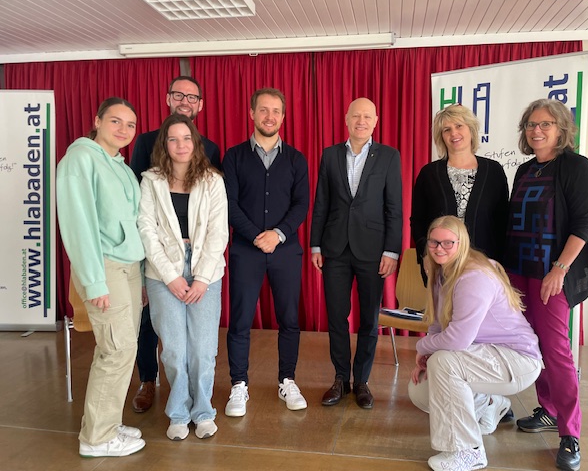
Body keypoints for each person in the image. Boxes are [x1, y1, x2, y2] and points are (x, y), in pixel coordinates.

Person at [505, 98, 588, 471]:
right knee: (532, 345)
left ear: (561, 129)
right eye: (530, 125)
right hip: (519, 271)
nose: (536, 130)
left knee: (556, 349)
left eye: (544, 124)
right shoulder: (525, 170)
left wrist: (559, 268)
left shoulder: (577, 167)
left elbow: (584, 224)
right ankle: (546, 408)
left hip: (551, 275)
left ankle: (570, 433)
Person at [408, 215, 542, 471]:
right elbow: (438, 324)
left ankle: (467, 451)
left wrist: (423, 348)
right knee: (420, 391)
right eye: (434, 242)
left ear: (462, 243)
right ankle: (490, 404)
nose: (439, 248)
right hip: (482, 355)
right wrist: (425, 355)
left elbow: (457, 340)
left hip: (517, 360)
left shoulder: (473, 277)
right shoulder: (441, 272)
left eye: (448, 243)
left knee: (444, 364)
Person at [57, 97, 146, 457]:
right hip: (104, 266)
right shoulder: (79, 159)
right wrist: (95, 283)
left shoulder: (121, 166)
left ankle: (107, 422)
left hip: (128, 269)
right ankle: (96, 439)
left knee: (122, 349)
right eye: (115, 121)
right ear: (97, 121)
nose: (123, 130)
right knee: (117, 349)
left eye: (130, 125)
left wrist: (138, 274)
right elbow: (79, 226)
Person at [129, 76, 221, 413]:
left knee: (199, 343)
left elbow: (214, 220)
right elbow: (138, 207)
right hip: (156, 257)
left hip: (199, 261)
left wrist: (203, 272)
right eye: (179, 95)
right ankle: (149, 381)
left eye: (192, 96)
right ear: (168, 98)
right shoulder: (145, 143)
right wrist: (151, 269)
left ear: (200, 105)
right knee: (154, 329)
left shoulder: (210, 151)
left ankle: (198, 404)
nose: (185, 100)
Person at [222, 87, 309, 417]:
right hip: (246, 251)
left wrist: (278, 234)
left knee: (289, 320)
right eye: (263, 110)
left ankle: (287, 380)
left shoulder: (296, 159)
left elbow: (302, 204)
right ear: (252, 113)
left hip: (286, 252)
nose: (269, 116)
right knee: (241, 321)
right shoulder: (234, 157)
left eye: (276, 111)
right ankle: (238, 385)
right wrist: (257, 236)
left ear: (283, 117)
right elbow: (228, 204)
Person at [311, 97, 403, 409]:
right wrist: (315, 244)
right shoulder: (330, 155)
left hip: (373, 251)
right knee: (337, 317)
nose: (361, 121)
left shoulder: (389, 157)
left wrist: (392, 250)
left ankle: (361, 381)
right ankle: (340, 378)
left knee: (368, 319)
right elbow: (321, 203)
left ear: (375, 121)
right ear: (346, 119)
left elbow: (394, 208)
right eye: (356, 116)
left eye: (367, 117)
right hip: (335, 249)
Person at [411, 104, 508, 283]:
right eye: (446, 129)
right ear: (441, 137)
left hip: (484, 267)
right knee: (443, 311)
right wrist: (425, 253)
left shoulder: (493, 171)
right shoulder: (429, 174)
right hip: (441, 266)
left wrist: (500, 267)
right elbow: (418, 220)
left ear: (471, 129)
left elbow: (502, 222)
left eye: (459, 126)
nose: (453, 133)